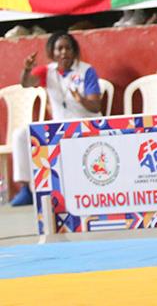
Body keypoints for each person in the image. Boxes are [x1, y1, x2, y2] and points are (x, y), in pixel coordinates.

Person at [11, 31, 102, 206]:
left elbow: (96, 106)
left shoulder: (86, 71)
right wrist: (27, 69)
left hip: (84, 124)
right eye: (59, 49)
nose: (64, 52)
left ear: (74, 51)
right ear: (52, 52)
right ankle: (26, 189)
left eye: (68, 48)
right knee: (20, 135)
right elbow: (26, 83)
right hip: (57, 126)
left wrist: (80, 100)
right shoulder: (47, 71)